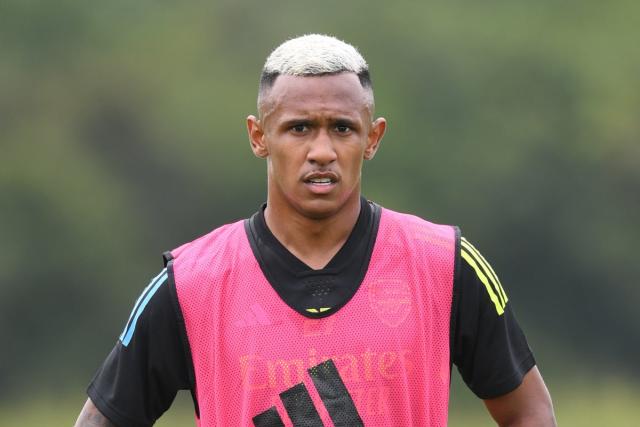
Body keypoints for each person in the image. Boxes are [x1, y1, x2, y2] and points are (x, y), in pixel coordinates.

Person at [75, 34, 556, 427]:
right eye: (299, 128)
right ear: (259, 136)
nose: (321, 150)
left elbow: (528, 413)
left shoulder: (443, 264)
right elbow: (101, 420)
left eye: (342, 128)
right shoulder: (193, 283)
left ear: (373, 137)